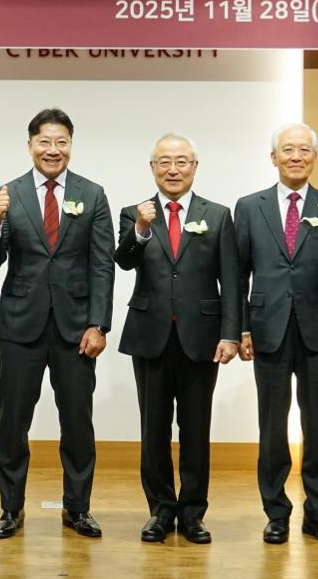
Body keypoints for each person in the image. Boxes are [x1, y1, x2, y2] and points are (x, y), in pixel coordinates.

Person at [0, 107, 115, 539]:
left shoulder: (92, 194)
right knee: (12, 422)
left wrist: (99, 324)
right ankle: (10, 508)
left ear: (71, 145)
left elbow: (102, 265)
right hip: (21, 325)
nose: (53, 150)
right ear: (30, 145)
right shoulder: (9, 193)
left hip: (76, 329)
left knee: (77, 423)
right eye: (44, 141)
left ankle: (77, 508)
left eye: (61, 142)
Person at [113, 133, 241, 544]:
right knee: (153, 430)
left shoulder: (217, 215)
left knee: (196, 429)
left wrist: (231, 334)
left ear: (195, 167)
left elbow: (231, 280)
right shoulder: (134, 213)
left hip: (201, 336)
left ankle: (192, 513)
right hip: (150, 334)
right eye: (164, 162)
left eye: (181, 161)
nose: (173, 169)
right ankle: (160, 510)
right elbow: (124, 261)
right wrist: (141, 228)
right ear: (152, 168)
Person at [233, 122, 318, 545]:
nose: (296, 156)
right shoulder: (250, 207)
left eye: (304, 150)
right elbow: (238, 274)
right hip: (268, 328)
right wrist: (241, 328)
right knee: (271, 427)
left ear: (314, 158)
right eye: (288, 150)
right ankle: (276, 512)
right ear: (274, 157)